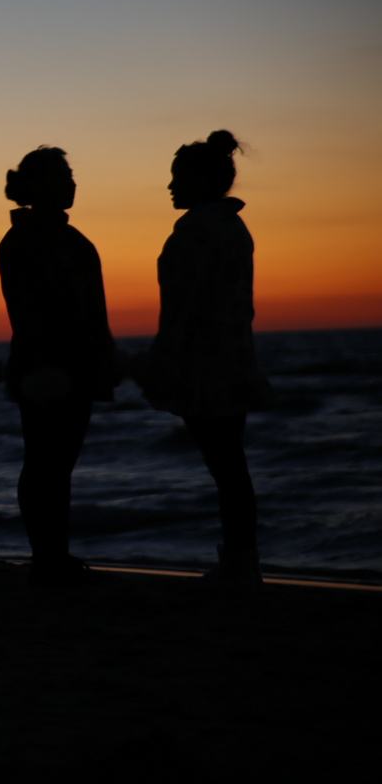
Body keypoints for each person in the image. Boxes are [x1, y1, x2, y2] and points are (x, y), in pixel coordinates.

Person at [130, 131, 272, 586]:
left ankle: (238, 563)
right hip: (233, 358)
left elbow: (182, 305)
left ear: (200, 181)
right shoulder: (232, 226)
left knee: (225, 466)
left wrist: (160, 360)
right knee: (231, 465)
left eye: (177, 178)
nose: (170, 187)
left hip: (204, 364)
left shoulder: (197, 229)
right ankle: (242, 558)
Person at [0, 147, 120, 585]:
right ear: (37, 185)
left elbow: (93, 311)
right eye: (62, 176)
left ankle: (53, 553)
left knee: (58, 464)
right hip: (46, 367)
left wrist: (104, 357)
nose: (71, 183)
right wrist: (52, 361)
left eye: (71, 175)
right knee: (45, 461)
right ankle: (46, 556)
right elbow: (31, 313)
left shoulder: (72, 240)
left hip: (77, 365)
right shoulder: (23, 241)